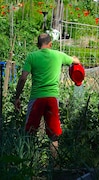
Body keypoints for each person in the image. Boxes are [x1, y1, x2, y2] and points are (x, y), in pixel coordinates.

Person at [14, 33, 81, 164]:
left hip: (36, 98)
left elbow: (23, 78)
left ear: (38, 45)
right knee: (54, 136)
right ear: (50, 44)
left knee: (29, 133)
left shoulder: (32, 57)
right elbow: (76, 61)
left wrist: (17, 97)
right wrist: (75, 61)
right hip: (52, 98)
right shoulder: (58, 55)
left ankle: (28, 164)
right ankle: (54, 166)